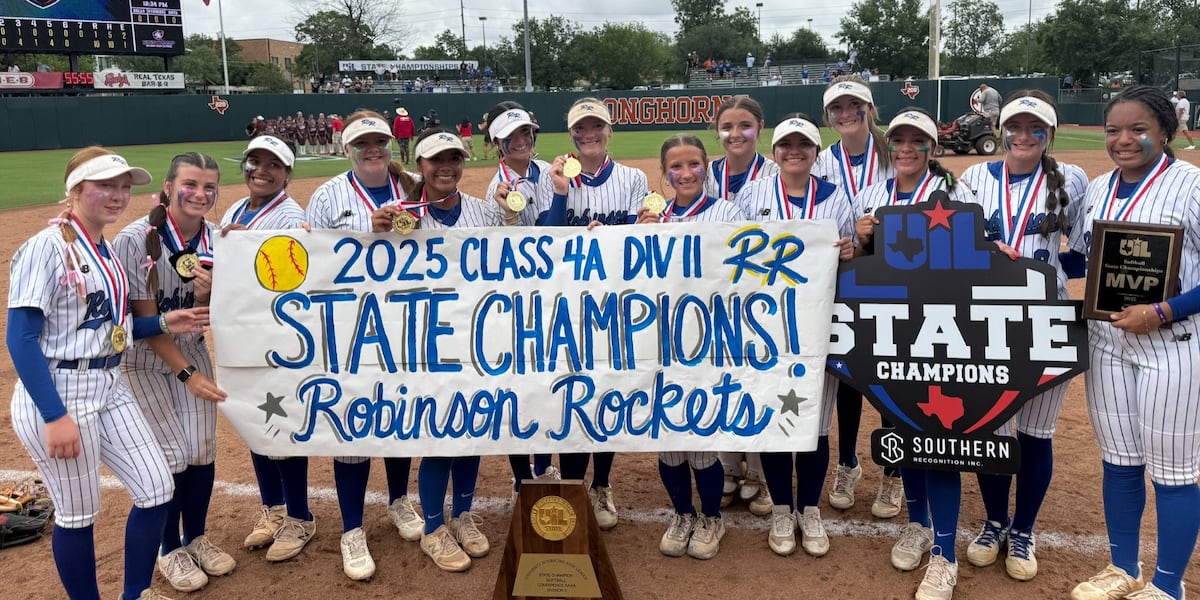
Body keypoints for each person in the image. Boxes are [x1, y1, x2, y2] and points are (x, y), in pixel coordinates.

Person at [9, 147, 212, 600]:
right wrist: (54, 415)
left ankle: (135, 592)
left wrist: (161, 322)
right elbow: (20, 339)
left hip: (110, 383)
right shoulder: (47, 247)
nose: (119, 195)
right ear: (76, 190)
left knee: (157, 488)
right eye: (106, 186)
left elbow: (111, 329)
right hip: (61, 392)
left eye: (124, 187)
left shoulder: (102, 247)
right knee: (78, 513)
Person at [1069, 85, 1200, 600]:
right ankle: (1122, 567)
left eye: (1138, 130)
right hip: (1107, 344)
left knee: (1172, 471)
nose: (1124, 140)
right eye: (1113, 130)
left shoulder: (1190, 185)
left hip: (1172, 343)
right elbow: (1082, 261)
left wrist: (1165, 309)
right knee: (1119, 463)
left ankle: (1168, 586)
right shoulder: (1098, 190)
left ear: (1165, 132)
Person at [953, 92, 1089, 587]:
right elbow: (954, 245)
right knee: (990, 429)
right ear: (1002, 127)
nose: (1024, 136)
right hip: (983, 321)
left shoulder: (1070, 178)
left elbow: (1088, 250)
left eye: (1035, 128)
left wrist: (1046, 268)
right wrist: (988, 249)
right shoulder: (974, 179)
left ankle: (1024, 529)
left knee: (1035, 433)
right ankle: (993, 522)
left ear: (1048, 133)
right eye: (1016, 126)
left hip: (1047, 321)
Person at [370, 129, 502, 572]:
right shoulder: (400, 216)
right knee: (440, 439)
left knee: (473, 434)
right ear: (420, 165)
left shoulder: (484, 211)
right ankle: (432, 527)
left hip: (478, 342)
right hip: (425, 346)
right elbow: (372, 279)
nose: (446, 167)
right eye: (435, 159)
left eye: (454, 158)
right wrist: (376, 237)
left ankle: (462, 515)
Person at [305, 111, 425, 581]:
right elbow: (313, 262)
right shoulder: (327, 195)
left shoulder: (414, 188)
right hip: (350, 326)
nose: (373, 149)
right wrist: (364, 235)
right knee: (353, 427)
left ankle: (398, 501)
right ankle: (351, 529)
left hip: (409, 321)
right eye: (362, 143)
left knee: (399, 414)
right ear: (347, 148)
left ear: (390, 146)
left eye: (379, 142)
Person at [112, 152, 234, 593]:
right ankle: (170, 550)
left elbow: (227, 309)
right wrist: (188, 376)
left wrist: (216, 288)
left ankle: (195, 537)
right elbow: (145, 324)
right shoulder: (136, 239)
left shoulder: (218, 238)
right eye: (190, 184)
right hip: (145, 361)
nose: (201, 194)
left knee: (201, 450)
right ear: (167, 188)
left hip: (193, 350)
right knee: (170, 457)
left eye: (209, 187)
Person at [735, 115, 855, 559]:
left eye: (804, 144)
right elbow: (730, 250)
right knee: (773, 421)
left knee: (816, 426)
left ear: (816, 152)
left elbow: (853, 255)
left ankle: (809, 508)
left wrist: (850, 250)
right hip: (764, 326)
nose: (794, 151)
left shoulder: (835, 196)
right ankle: (783, 508)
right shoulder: (753, 194)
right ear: (774, 151)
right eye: (786, 144)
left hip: (818, 324)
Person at [542, 98, 651, 529]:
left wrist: (609, 237)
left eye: (597, 128)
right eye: (581, 129)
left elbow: (635, 238)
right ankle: (571, 483)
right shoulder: (552, 176)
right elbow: (545, 239)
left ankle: (601, 484)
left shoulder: (632, 177)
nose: (589, 135)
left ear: (610, 132)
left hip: (614, 301)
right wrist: (559, 195)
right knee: (570, 391)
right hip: (564, 302)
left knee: (609, 390)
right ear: (571, 134)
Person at [640, 134, 746, 560]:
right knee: (668, 438)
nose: (685, 174)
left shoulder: (725, 210)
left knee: (701, 439)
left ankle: (711, 517)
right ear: (664, 173)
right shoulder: (652, 216)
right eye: (676, 167)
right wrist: (619, 236)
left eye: (693, 165)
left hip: (708, 338)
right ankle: (682, 513)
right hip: (661, 340)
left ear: (707, 166)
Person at [218, 136, 315, 564]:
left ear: (287, 175)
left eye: (273, 165)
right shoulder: (237, 210)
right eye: (255, 161)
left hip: (280, 336)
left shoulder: (291, 215)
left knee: (282, 423)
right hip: (244, 335)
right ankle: (273, 509)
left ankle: (299, 515)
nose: (261, 170)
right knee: (256, 421)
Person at [812, 76, 902, 520]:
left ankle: (895, 470)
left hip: (894, 281)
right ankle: (847, 463)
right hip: (840, 280)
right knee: (849, 376)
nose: (845, 115)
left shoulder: (896, 150)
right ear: (828, 116)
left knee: (893, 377)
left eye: (854, 106)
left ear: (870, 107)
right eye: (837, 109)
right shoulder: (821, 160)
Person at [701, 95, 777, 514]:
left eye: (744, 125)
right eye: (728, 126)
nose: (736, 134)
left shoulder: (776, 170)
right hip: (716, 295)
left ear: (759, 128)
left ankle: (762, 475)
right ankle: (730, 466)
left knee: (758, 380)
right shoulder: (706, 172)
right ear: (718, 131)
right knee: (721, 380)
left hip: (761, 294)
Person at [481, 103, 562, 491]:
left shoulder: (547, 172)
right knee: (516, 383)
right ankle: (520, 476)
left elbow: (551, 225)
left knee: (547, 380)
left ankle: (545, 465)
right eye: (513, 136)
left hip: (551, 288)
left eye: (527, 133)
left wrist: (558, 196)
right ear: (500, 143)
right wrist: (512, 220)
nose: (522, 141)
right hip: (514, 295)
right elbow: (501, 249)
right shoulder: (492, 188)